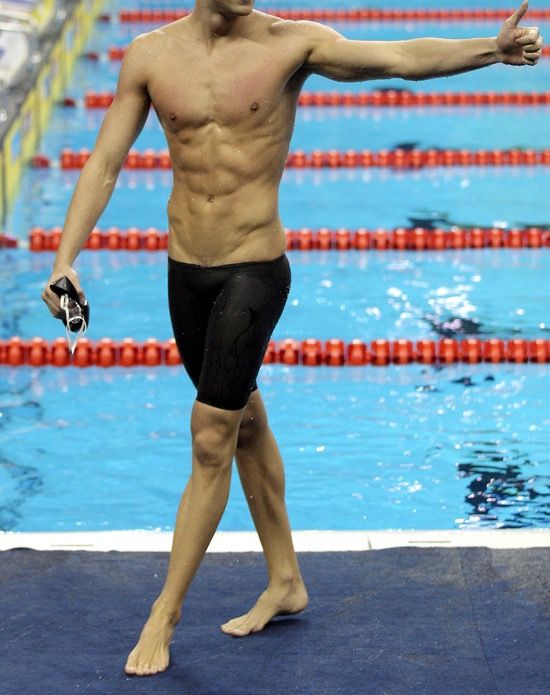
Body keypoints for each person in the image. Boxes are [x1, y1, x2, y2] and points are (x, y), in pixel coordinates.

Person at [41, 0, 542, 677]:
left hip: (255, 270)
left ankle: (164, 613)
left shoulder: (290, 46)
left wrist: (491, 49)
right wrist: (65, 259)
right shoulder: (150, 56)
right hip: (184, 272)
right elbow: (105, 161)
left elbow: (398, 60)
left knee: (212, 433)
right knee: (241, 417)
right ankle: (285, 578)